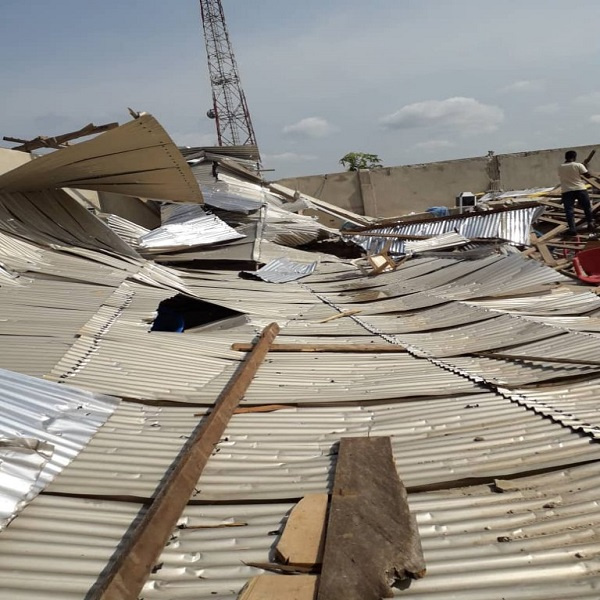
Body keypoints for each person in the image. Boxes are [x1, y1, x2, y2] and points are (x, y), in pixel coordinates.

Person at [558, 150, 596, 235]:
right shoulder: (578, 165)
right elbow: (588, 176)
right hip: (580, 188)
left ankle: (572, 228)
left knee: (569, 210)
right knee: (587, 207)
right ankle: (590, 223)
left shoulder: (560, 167)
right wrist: (585, 167)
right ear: (574, 157)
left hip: (567, 190)